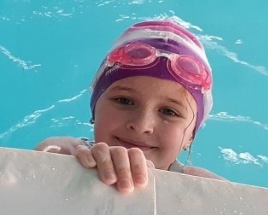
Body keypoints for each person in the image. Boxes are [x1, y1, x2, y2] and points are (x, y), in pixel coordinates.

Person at [36, 20, 221, 192]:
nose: (141, 125)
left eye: (168, 112)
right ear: (95, 109)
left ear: (191, 136)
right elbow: (45, 154)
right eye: (124, 101)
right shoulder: (75, 154)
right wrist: (59, 157)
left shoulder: (203, 187)